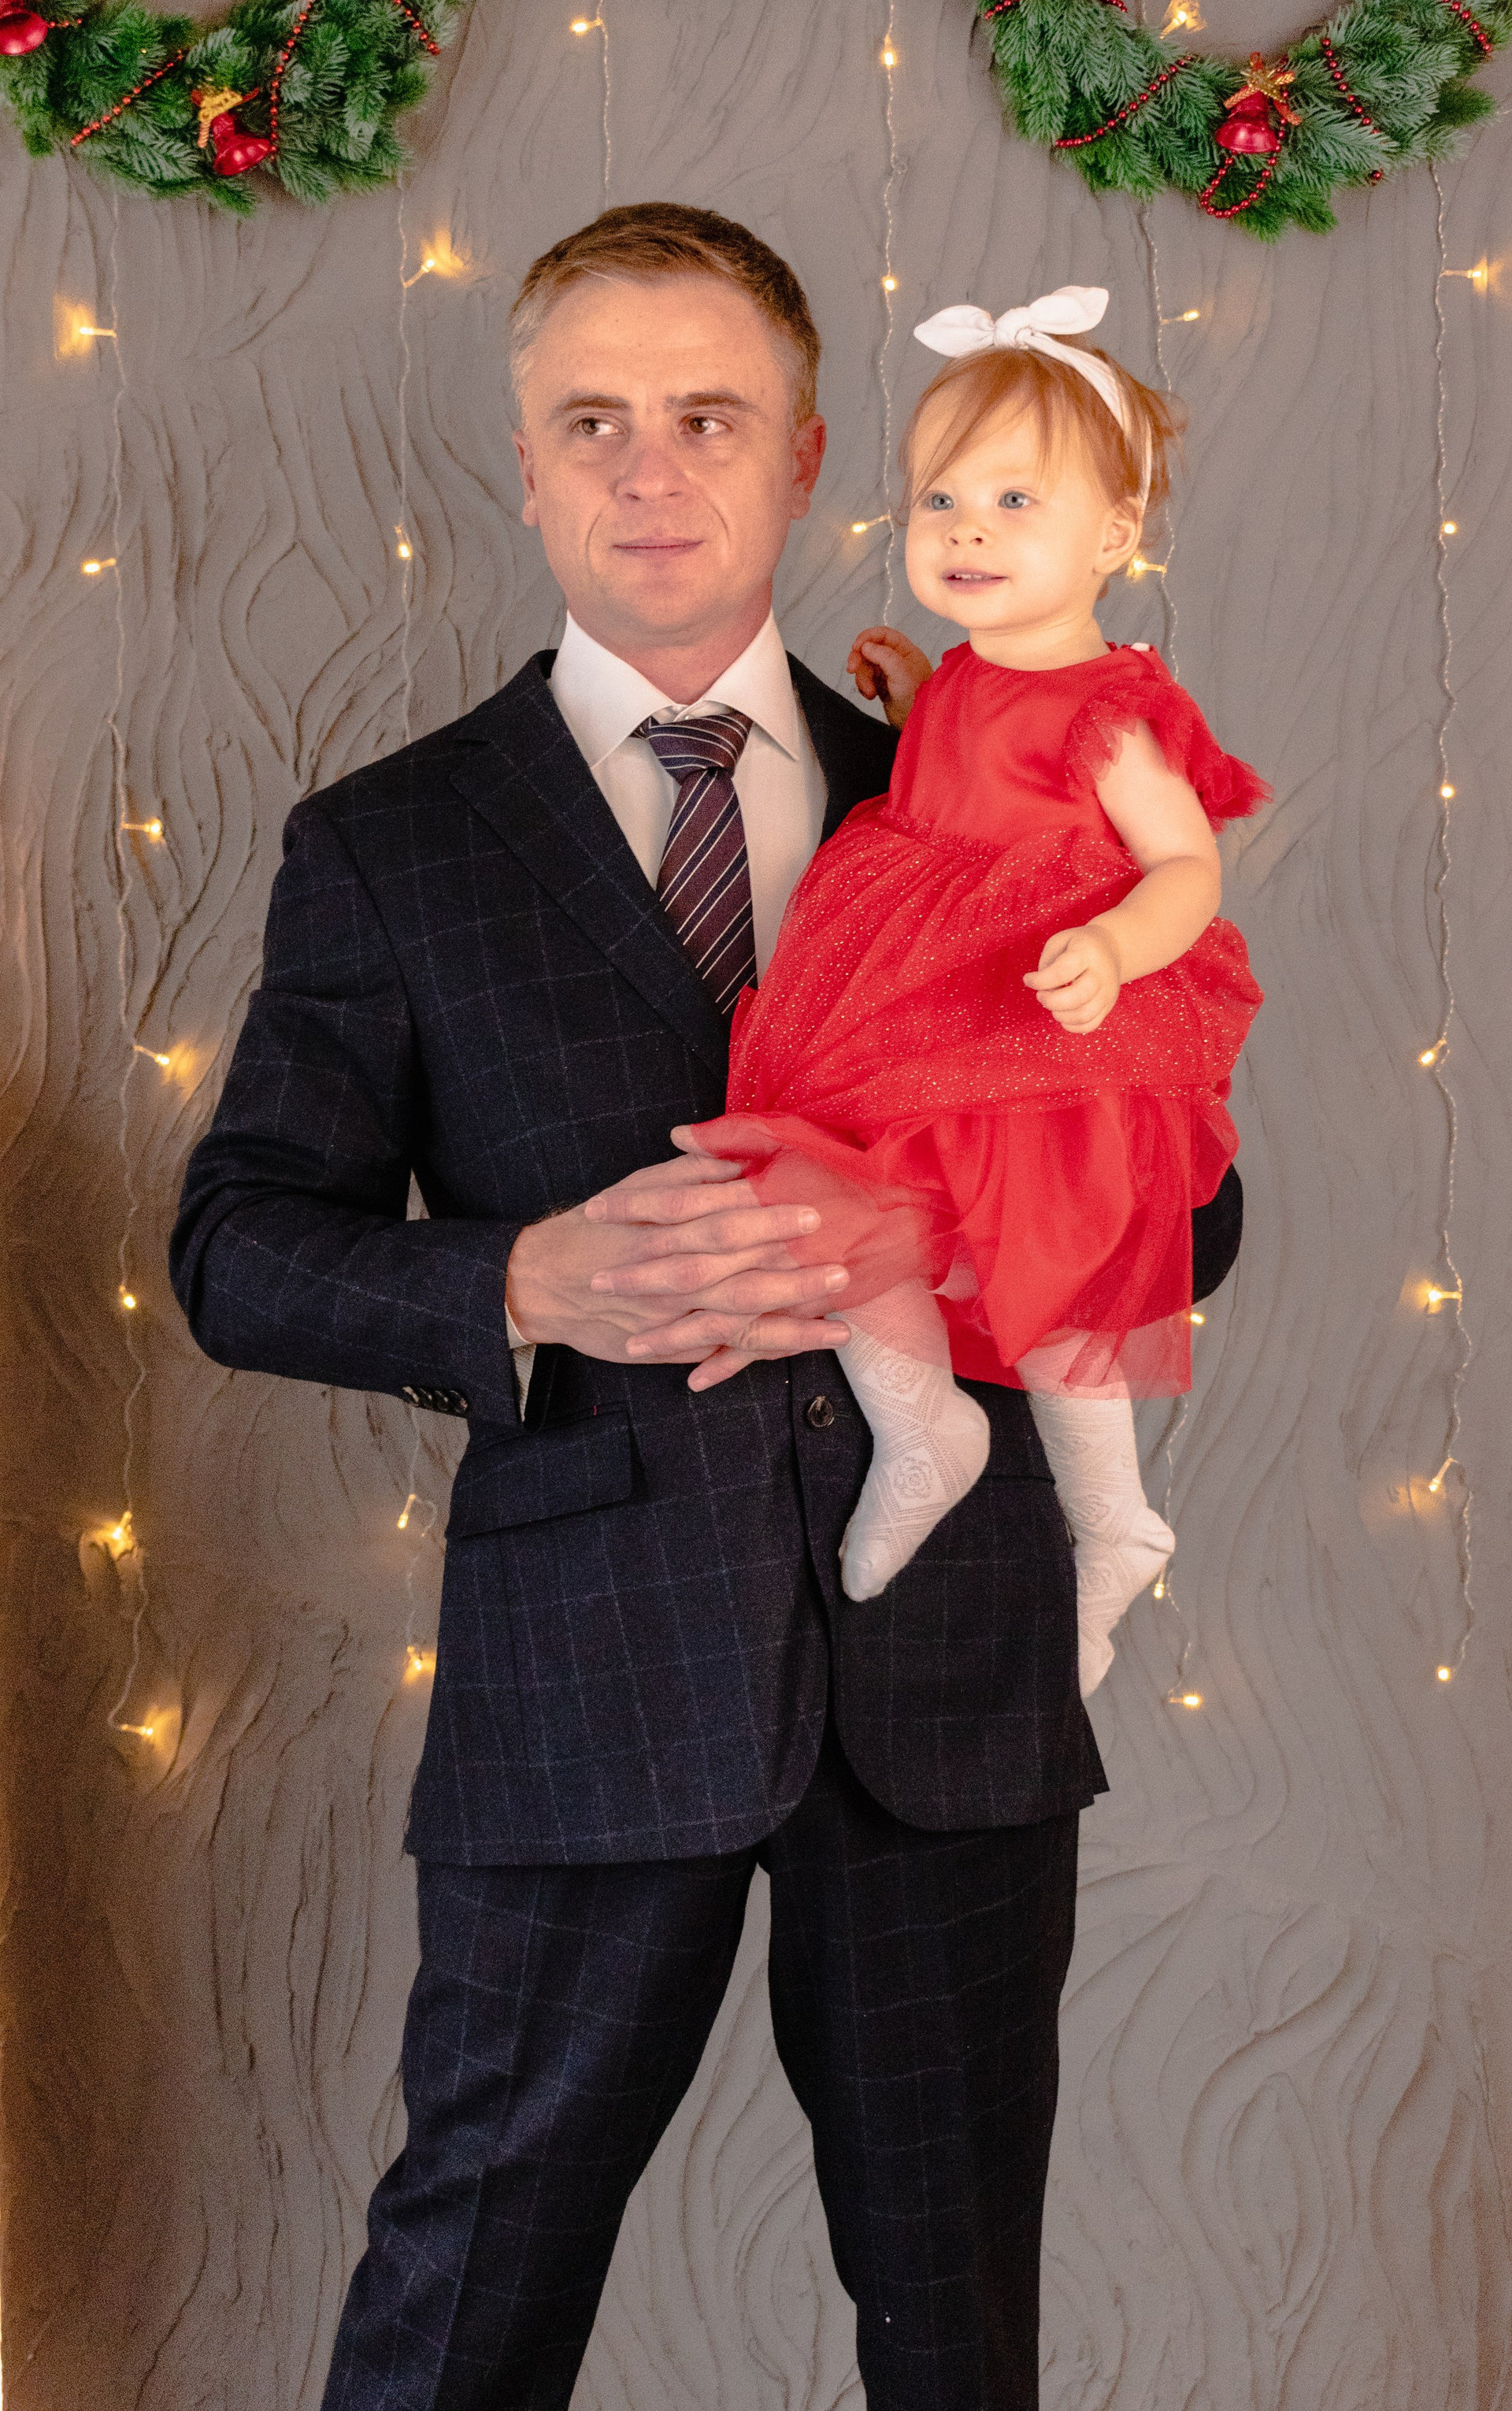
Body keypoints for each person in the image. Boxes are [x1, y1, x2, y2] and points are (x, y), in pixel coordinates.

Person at [170, 206, 1243, 2411]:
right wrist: (525, 1277)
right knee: (468, 2294)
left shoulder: (976, 783)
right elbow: (238, 1243)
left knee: (957, 2326)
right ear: (526, 463)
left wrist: (925, 1239)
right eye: (593, 422)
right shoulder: (389, 841)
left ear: (809, 453)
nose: (649, 468)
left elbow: (1197, 1207)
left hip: (946, 1676)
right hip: (586, 1677)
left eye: (708, 417)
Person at [687, 286, 1266, 1695]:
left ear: (1113, 535)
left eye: (1015, 500)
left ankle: (1113, 1521)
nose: (967, 530)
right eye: (939, 499)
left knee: (1055, 1279)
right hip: (915, 998)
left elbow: (1186, 865)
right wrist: (910, 701)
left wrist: (1117, 947)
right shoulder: (961, 676)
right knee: (827, 1192)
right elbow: (965, 771)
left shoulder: (1114, 710)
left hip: (1041, 1038)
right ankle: (922, 1423)